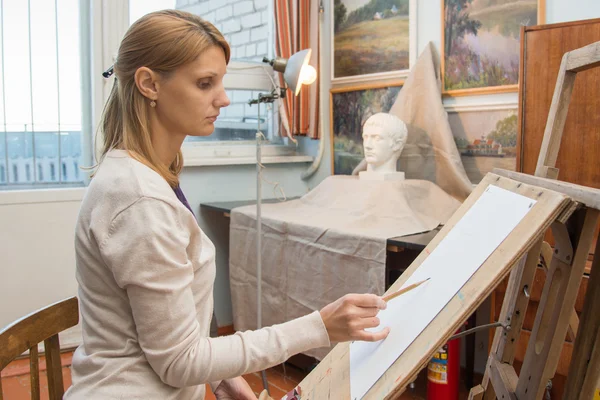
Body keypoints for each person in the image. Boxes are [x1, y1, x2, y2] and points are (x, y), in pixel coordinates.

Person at [65, 10, 389, 400]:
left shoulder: (150, 174)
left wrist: (222, 378)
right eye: (205, 83)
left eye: (220, 81)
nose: (223, 98)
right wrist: (318, 327)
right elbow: (179, 360)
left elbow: (166, 330)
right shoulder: (138, 199)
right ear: (149, 84)